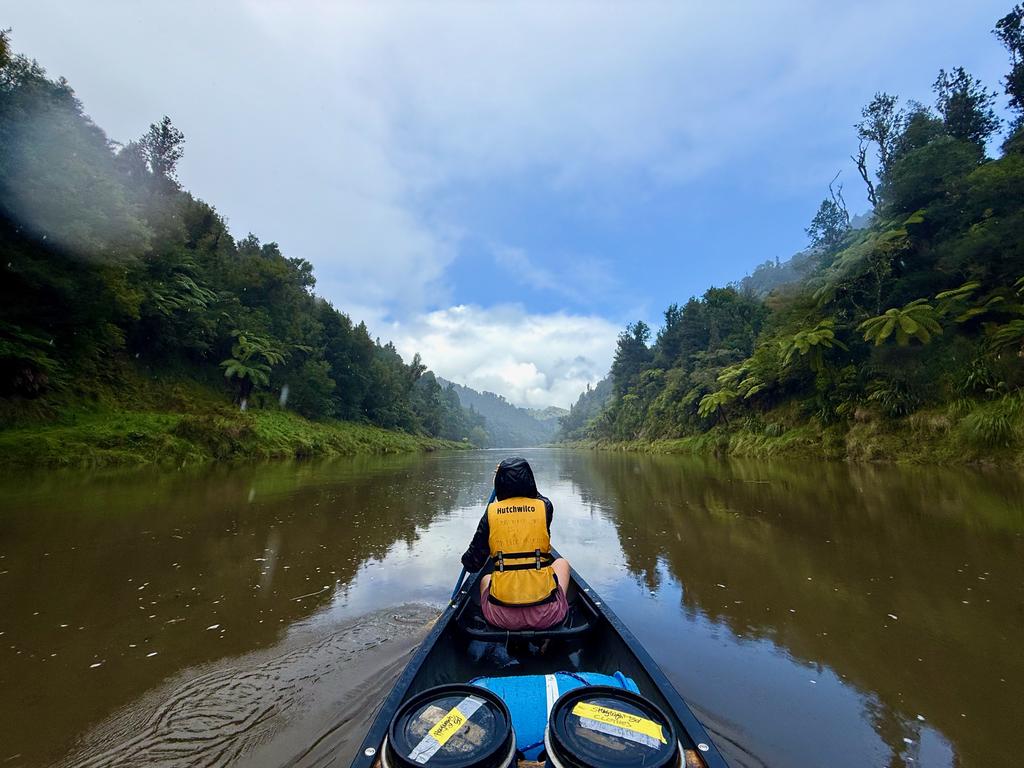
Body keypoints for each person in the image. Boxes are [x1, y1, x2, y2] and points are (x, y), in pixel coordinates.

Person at [460, 456, 570, 631]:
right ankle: (555, 624)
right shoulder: (545, 507)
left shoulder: (491, 514)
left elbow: (472, 565)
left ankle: (501, 629)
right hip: (546, 615)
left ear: (499, 486)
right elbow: (536, 499)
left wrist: (499, 479)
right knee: (562, 564)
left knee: (486, 579)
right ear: (531, 482)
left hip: (501, 618)